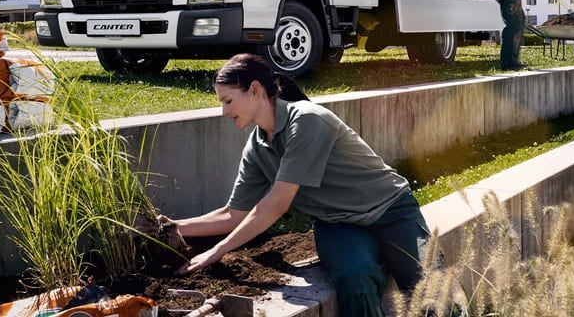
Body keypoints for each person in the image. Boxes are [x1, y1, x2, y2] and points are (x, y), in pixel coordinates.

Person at [147, 53, 432, 316]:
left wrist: (218, 250)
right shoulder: (258, 147)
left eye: (228, 100)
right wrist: (171, 227)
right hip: (338, 224)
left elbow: (277, 204)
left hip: (391, 211)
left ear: (256, 90)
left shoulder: (308, 120)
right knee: (355, 277)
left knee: (428, 284)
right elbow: (234, 213)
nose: (224, 111)